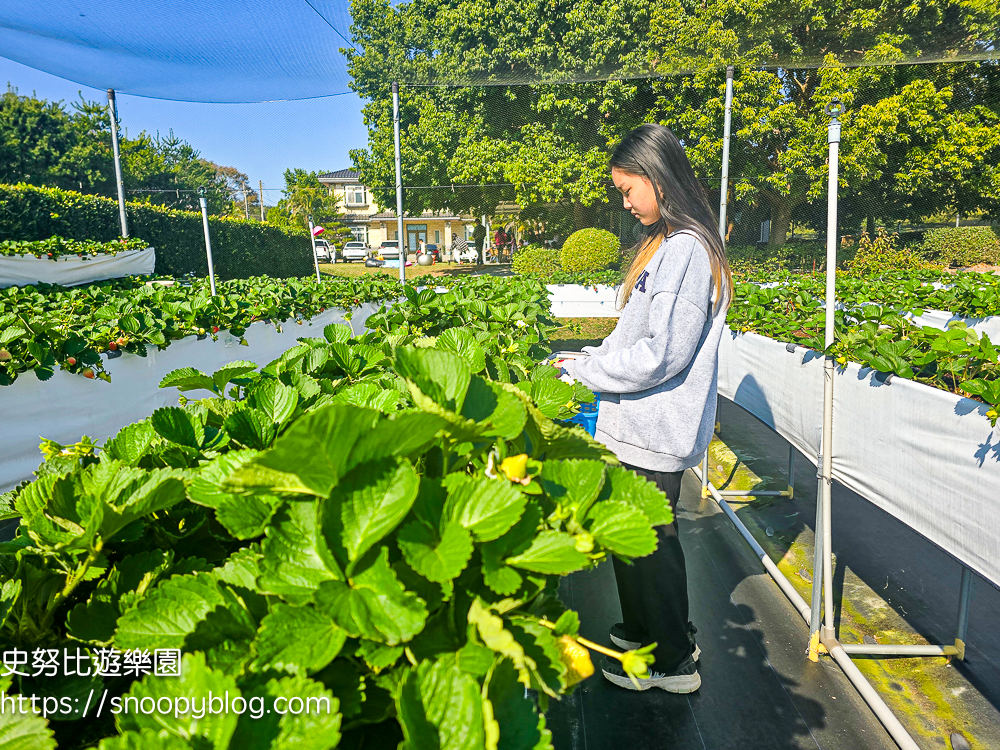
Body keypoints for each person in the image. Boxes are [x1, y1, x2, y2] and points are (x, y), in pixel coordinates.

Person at [560, 123, 733, 694]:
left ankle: (673, 662)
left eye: (629, 189)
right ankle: (646, 629)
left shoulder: (686, 249)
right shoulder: (666, 246)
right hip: (640, 424)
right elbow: (633, 335)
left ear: (658, 179)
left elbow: (663, 353)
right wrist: (586, 358)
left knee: (650, 543)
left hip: (655, 427)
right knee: (635, 537)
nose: (626, 202)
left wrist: (587, 372)